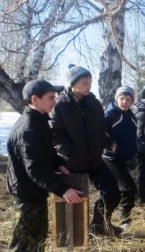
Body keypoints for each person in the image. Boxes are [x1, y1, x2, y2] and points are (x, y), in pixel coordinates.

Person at [6, 80, 83, 252]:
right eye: (51, 97)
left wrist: (58, 163)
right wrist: (63, 189)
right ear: (35, 100)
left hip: (36, 192)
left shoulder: (39, 121)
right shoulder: (28, 128)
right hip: (26, 194)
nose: (55, 101)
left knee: (37, 237)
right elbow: (35, 169)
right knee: (23, 240)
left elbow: (46, 153)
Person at [50, 64, 122, 236]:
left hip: (95, 160)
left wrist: (106, 141)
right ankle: (73, 236)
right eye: (85, 82)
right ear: (72, 84)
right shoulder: (60, 106)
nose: (89, 86)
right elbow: (54, 135)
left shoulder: (94, 104)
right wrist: (70, 151)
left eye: (90, 82)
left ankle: (98, 226)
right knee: (75, 200)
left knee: (113, 192)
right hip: (72, 163)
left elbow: (99, 129)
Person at [103, 86, 137, 229]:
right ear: (116, 99)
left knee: (114, 191)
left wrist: (133, 153)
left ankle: (104, 221)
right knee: (129, 187)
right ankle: (124, 219)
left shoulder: (131, 115)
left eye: (128, 99)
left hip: (123, 158)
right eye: (122, 98)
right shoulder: (110, 114)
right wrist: (111, 144)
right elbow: (99, 131)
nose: (124, 102)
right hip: (110, 158)